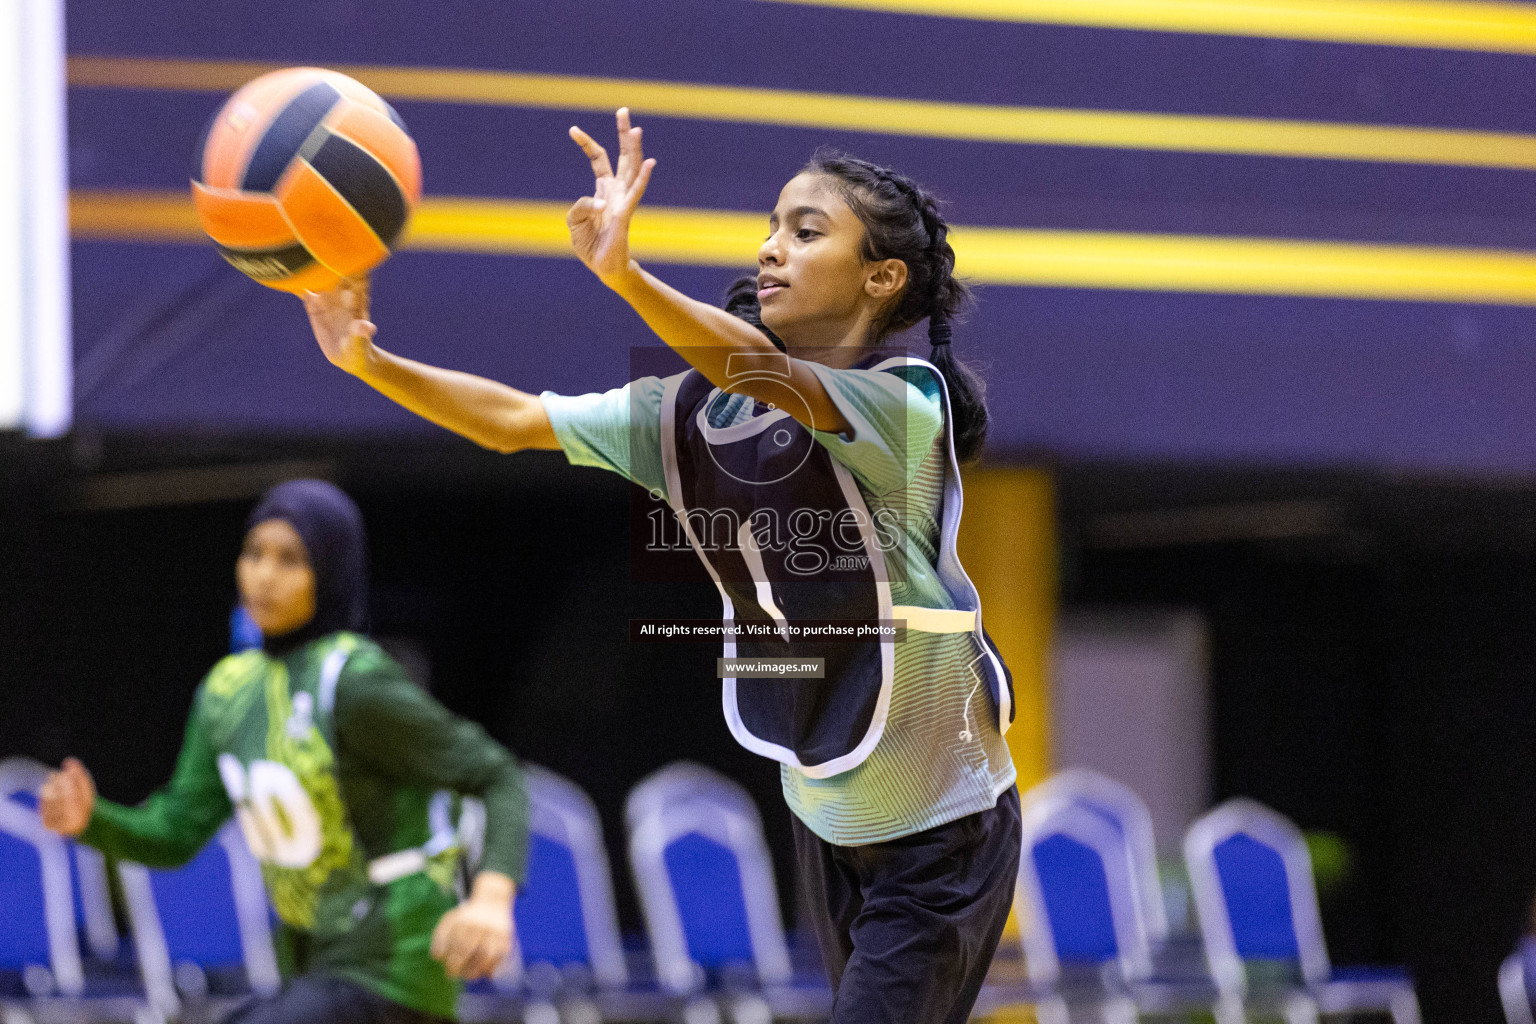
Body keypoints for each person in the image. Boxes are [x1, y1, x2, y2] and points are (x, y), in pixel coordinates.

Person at [301, 110, 1020, 1024]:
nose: (772, 249)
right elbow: (516, 422)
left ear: (881, 279)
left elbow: (766, 372)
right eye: (770, 227)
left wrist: (625, 274)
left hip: (945, 825)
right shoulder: (686, 414)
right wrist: (368, 360)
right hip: (831, 818)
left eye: (806, 232)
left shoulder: (903, 404)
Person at [40, 480, 528, 1024]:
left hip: (396, 964)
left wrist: (491, 899)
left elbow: (498, 775)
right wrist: (91, 821)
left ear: (332, 572)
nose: (264, 575)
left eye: (290, 559)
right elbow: (177, 832)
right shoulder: (227, 691)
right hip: (310, 962)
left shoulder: (354, 680)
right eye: (254, 554)